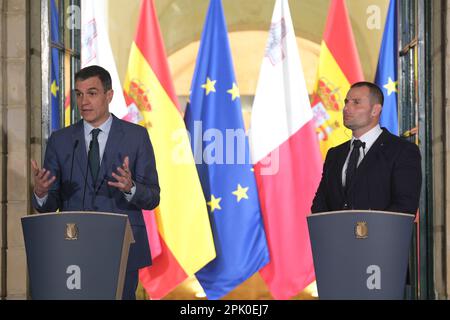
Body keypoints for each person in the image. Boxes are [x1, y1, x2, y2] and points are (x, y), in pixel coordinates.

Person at [31, 65, 160, 299]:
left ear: (108, 95)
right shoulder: (60, 141)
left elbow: (152, 197)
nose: (84, 102)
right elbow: (49, 205)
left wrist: (131, 188)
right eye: (79, 94)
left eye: (92, 93)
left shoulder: (135, 137)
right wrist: (41, 192)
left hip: (122, 248)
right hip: (74, 248)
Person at [311, 81, 421, 215]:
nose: (346, 108)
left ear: (375, 110)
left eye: (356, 102)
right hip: (336, 235)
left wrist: (365, 233)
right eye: (346, 102)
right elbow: (320, 204)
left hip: (382, 235)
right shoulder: (334, 154)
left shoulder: (402, 151)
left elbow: (405, 206)